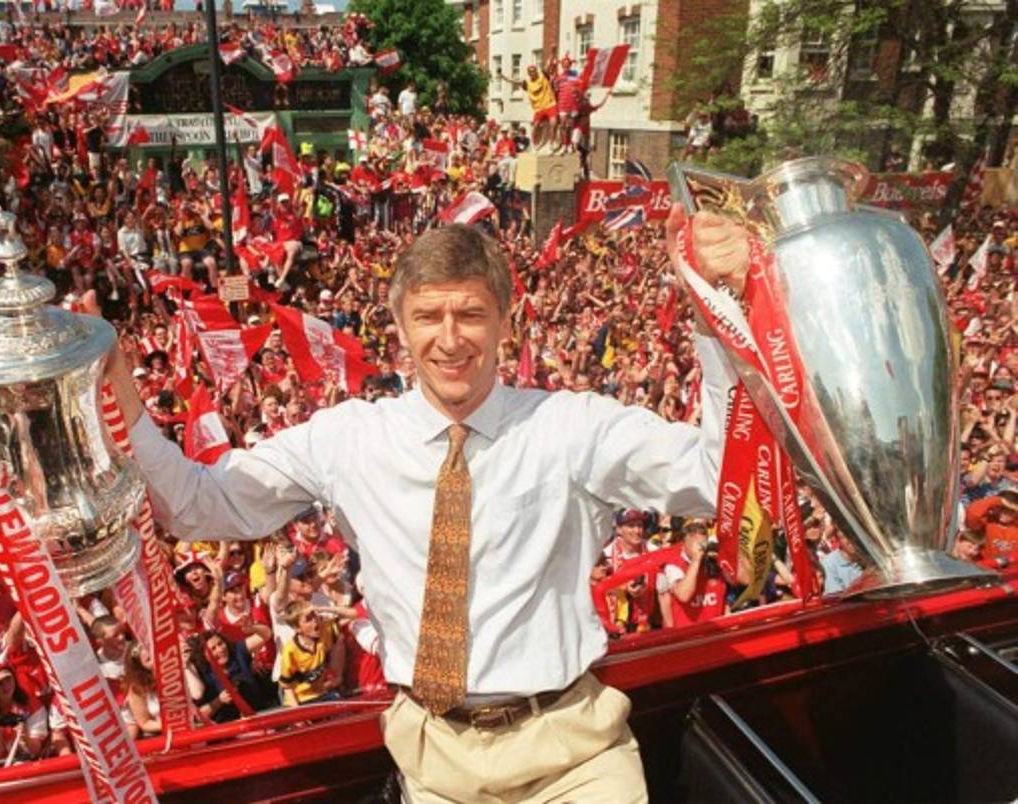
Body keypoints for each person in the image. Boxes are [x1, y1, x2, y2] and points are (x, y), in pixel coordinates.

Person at [96, 204, 748, 801]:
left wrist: (718, 315)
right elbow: (198, 505)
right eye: (428, 316)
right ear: (400, 328)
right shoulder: (348, 439)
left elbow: (717, 477)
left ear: (506, 322)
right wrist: (118, 390)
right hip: (434, 766)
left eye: (470, 314)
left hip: (574, 759)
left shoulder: (572, 427)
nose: (450, 338)